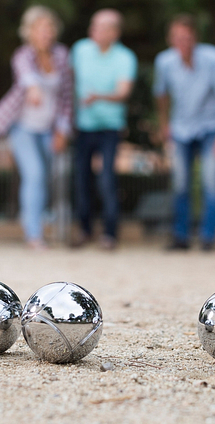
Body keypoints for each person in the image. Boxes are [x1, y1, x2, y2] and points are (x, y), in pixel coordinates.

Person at [153, 14, 215, 251]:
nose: (183, 42)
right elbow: (161, 94)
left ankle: (208, 238)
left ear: (195, 38)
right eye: (178, 38)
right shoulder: (165, 62)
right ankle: (181, 237)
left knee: (211, 182)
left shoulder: (214, 59)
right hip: (181, 128)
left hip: (212, 128)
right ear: (171, 39)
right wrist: (164, 124)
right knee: (180, 184)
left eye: (187, 37)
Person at [0, 6, 73, 249]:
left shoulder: (62, 55)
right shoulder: (23, 55)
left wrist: (63, 130)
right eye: (40, 28)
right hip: (22, 127)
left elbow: (67, 97)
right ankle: (34, 235)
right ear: (29, 32)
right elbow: (27, 77)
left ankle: (42, 223)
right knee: (35, 175)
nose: (46, 33)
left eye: (49, 28)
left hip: (49, 128)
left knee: (53, 177)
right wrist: (33, 88)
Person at [71, 9, 138, 250]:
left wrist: (98, 96)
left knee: (107, 179)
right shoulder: (80, 50)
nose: (93, 30)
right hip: (83, 125)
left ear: (114, 32)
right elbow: (69, 81)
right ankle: (84, 230)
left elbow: (123, 92)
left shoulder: (125, 57)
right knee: (81, 179)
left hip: (110, 126)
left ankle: (110, 233)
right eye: (93, 25)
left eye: (99, 26)